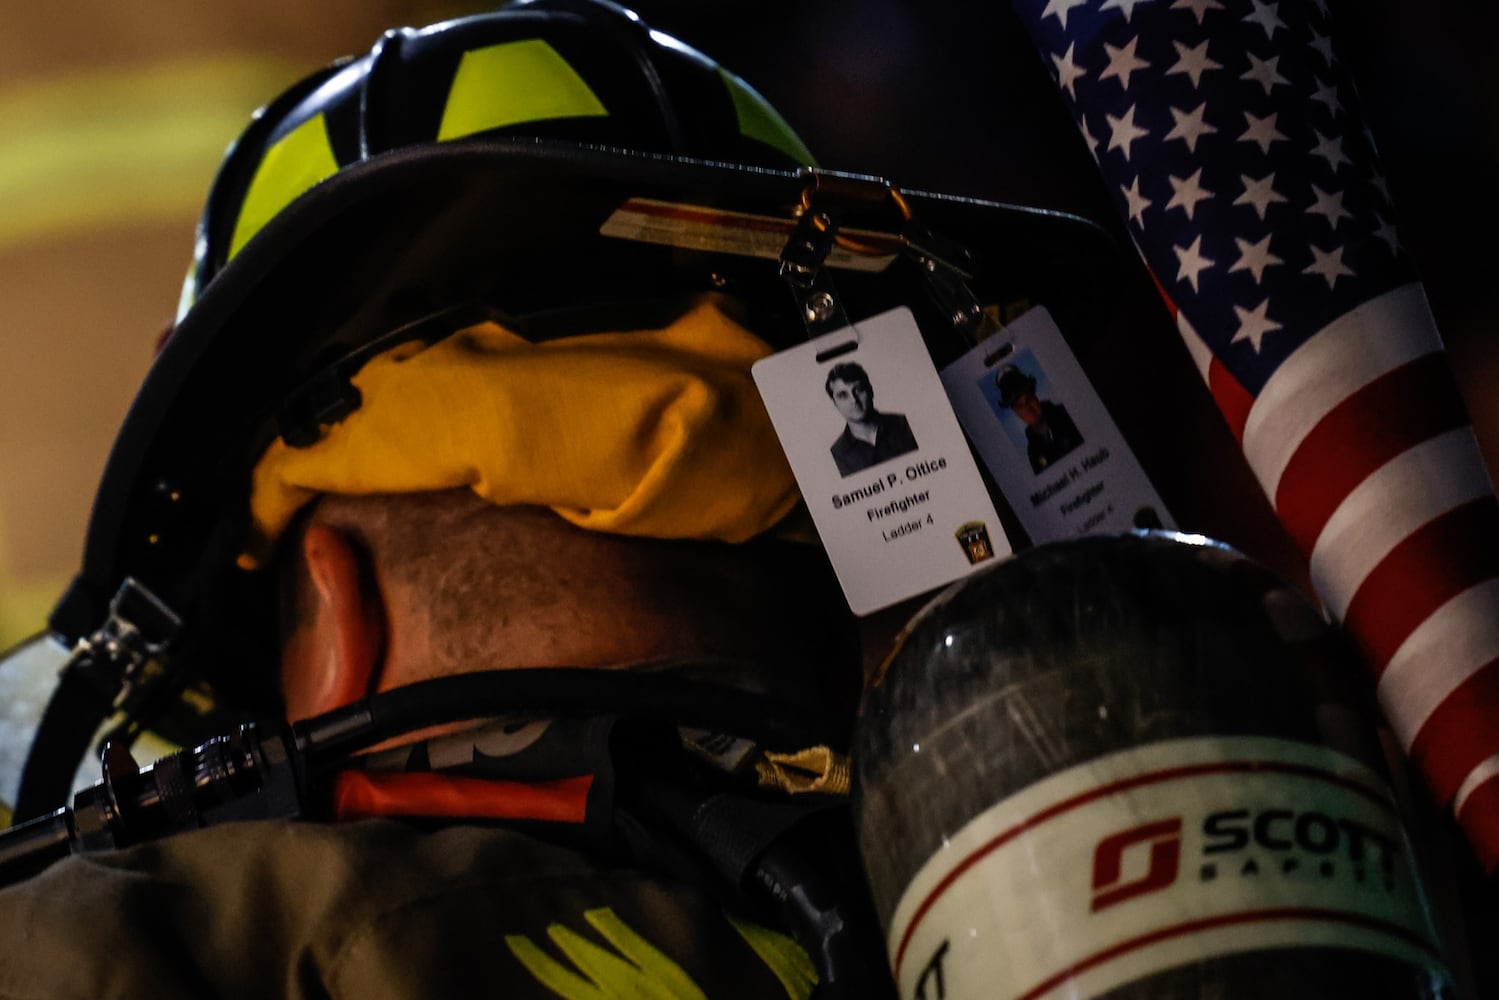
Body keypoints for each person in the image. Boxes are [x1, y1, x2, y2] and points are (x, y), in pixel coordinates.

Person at [824, 361, 919, 477]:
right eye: (843, 395)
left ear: (870, 391)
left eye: (858, 389)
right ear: (835, 404)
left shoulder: (905, 425)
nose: (853, 400)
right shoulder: (837, 454)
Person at [993, 363, 1083, 475]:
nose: (1028, 407)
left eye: (1028, 399)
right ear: (1017, 413)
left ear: (1036, 396)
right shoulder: (1033, 452)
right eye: (1020, 405)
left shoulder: (1070, 414)